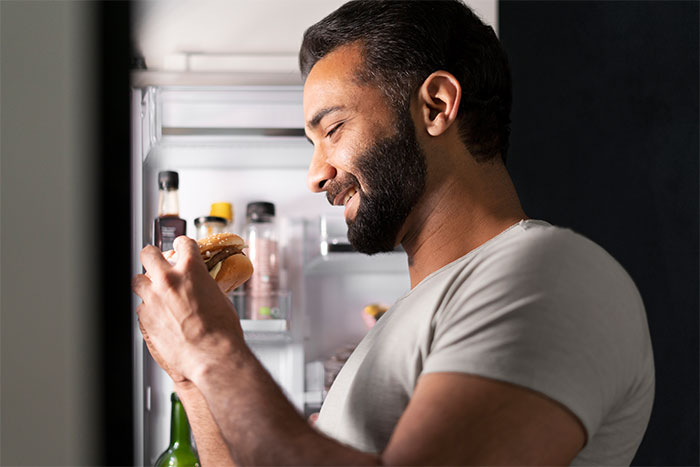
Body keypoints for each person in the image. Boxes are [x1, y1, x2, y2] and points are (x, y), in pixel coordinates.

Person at [132, 1, 655, 465]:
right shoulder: (406, 322)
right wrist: (191, 377)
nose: (315, 174)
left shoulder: (551, 274)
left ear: (436, 106)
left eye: (333, 129)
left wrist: (211, 346)